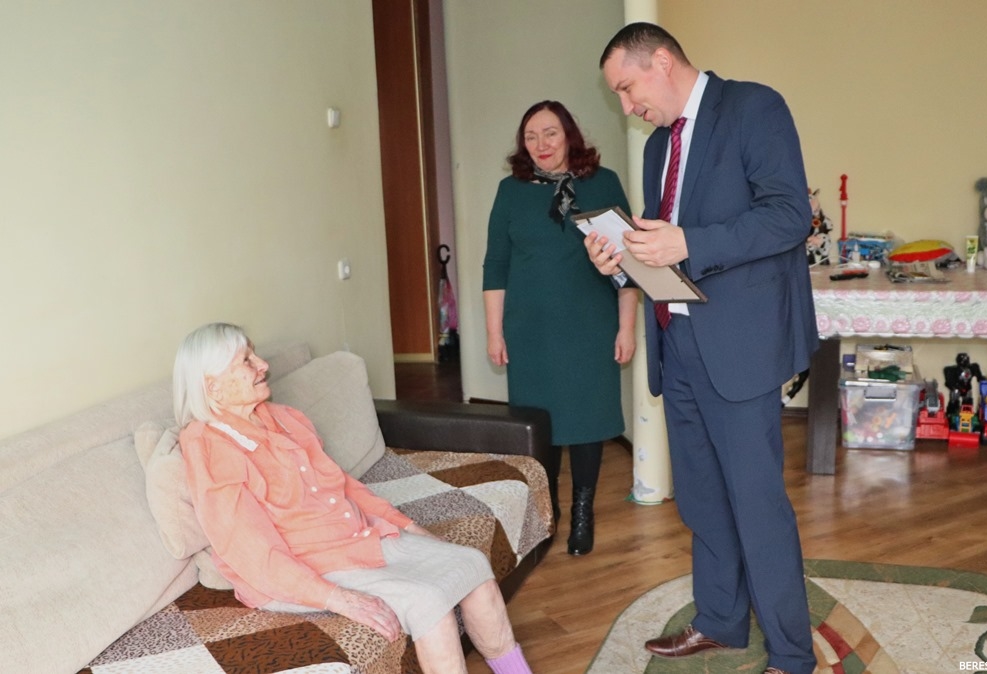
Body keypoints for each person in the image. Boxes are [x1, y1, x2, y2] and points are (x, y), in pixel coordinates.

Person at [585, 23, 819, 674]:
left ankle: (792, 656)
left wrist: (689, 241)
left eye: (627, 88)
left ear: (661, 61)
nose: (626, 105)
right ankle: (719, 621)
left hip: (740, 346)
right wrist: (619, 263)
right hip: (677, 343)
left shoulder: (753, 107)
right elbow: (660, 252)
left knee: (757, 505)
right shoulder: (658, 147)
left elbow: (789, 215)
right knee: (702, 500)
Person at [172, 322, 533, 674]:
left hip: (357, 538)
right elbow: (253, 554)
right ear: (213, 387)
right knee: (428, 601)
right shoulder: (209, 447)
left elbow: (342, 485)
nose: (263, 364)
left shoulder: (282, 417)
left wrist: (407, 525)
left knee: (472, 564)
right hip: (304, 566)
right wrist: (336, 597)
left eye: (255, 354)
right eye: (246, 361)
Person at [483, 100, 639, 556]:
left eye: (550, 133)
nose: (541, 144)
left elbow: (629, 261)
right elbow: (496, 265)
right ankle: (546, 509)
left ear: (569, 134)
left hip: (590, 323)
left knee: (588, 419)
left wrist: (626, 327)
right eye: (530, 137)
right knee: (540, 422)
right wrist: (494, 332)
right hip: (529, 328)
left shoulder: (603, 183)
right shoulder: (510, 191)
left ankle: (583, 511)